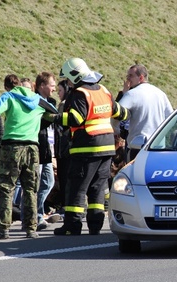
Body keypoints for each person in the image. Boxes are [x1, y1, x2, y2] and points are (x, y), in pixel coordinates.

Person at [0, 74, 59, 239]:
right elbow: (53, 114)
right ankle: (31, 228)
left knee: (6, 187)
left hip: (11, 147)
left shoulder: (9, 96)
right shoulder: (38, 100)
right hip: (32, 148)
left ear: (11, 87)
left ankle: (3, 229)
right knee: (30, 189)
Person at [50, 58, 129, 236]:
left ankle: (73, 225)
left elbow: (76, 119)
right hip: (107, 147)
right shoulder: (103, 90)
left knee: (77, 187)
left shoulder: (80, 93)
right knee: (97, 188)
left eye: (68, 79)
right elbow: (121, 113)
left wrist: (54, 117)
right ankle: (95, 225)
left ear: (74, 76)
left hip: (86, 147)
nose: (68, 83)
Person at [117, 64, 173, 161]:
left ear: (141, 77)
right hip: (158, 146)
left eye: (130, 76)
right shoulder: (160, 93)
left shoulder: (132, 94)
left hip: (138, 147)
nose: (127, 79)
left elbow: (117, 111)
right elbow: (171, 117)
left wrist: (124, 93)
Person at [34, 72, 57, 231]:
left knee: (49, 181)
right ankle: (35, 216)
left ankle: (37, 212)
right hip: (37, 147)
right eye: (52, 85)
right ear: (42, 86)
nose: (54, 89)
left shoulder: (52, 102)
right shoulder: (34, 102)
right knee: (36, 184)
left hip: (49, 148)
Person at [54, 79, 71, 214]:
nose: (58, 93)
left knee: (65, 177)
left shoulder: (64, 104)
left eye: (60, 90)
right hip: (66, 146)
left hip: (64, 147)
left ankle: (66, 205)